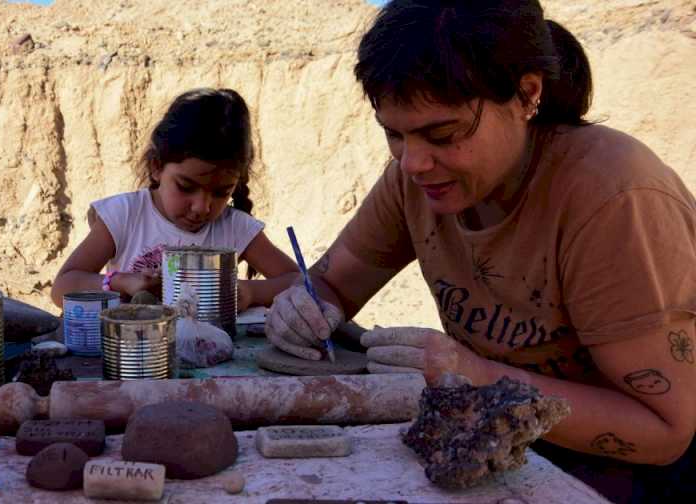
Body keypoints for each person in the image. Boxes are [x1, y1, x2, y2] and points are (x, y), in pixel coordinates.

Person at [265, 0, 696, 500]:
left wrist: (475, 376)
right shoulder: (420, 179)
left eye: (443, 134)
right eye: (393, 134)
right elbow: (334, 282)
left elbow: (665, 430)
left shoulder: (613, 197)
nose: (413, 163)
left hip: (627, 475)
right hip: (502, 441)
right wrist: (305, 307)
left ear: (526, 95)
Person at [52, 88, 298, 311]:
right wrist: (121, 282)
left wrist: (250, 292)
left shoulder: (235, 228)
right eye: (186, 187)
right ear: (157, 167)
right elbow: (62, 287)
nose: (202, 207)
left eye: (221, 193)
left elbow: (299, 283)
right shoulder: (124, 215)